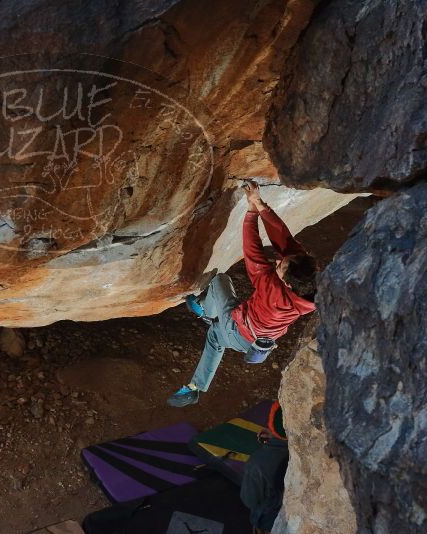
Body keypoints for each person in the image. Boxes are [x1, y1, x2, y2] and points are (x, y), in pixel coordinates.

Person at [168, 181, 317, 407]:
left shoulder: (272, 290)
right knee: (216, 336)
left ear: (286, 284)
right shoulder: (310, 282)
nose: (278, 261)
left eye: (279, 267)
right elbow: (283, 239)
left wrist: (250, 212)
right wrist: (260, 204)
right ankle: (194, 388)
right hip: (257, 343)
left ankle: (205, 310)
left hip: (239, 329)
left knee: (220, 282)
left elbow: (253, 252)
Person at [240, 402, 289, 533]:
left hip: (270, 521)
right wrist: (275, 436)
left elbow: (249, 500)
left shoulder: (257, 463)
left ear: (271, 425)